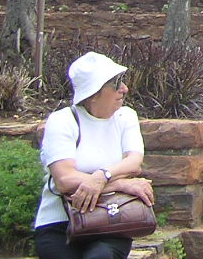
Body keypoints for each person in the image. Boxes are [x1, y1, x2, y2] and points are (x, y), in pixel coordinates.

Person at [34, 51, 154, 259]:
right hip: (59, 224)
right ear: (94, 93)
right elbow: (64, 180)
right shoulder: (62, 121)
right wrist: (119, 184)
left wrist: (101, 177)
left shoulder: (126, 117)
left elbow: (134, 163)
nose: (124, 89)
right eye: (115, 84)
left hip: (111, 219)